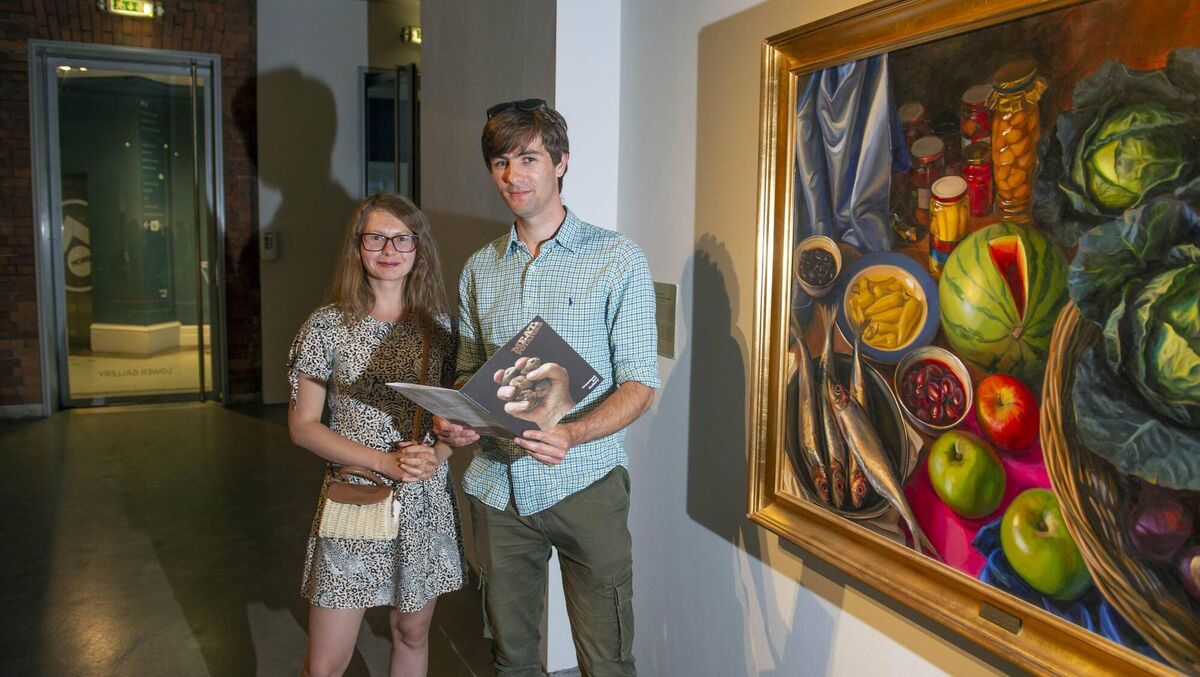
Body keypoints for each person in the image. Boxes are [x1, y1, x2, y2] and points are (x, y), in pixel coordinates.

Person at [435, 99, 660, 676]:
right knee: (510, 658)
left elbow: (640, 383)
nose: (514, 176)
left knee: (607, 660)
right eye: (501, 162)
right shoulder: (479, 269)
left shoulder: (616, 258)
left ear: (560, 162)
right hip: (497, 487)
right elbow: (468, 367)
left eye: (529, 158)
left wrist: (574, 433)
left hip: (585, 483)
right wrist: (458, 415)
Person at [287, 193, 468, 677]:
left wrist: (443, 451)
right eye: (376, 237)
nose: (389, 249)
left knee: (412, 633)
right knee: (325, 663)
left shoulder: (442, 331)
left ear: (419, 248)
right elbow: (303, 427)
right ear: (358, 246)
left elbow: (450, 423)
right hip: (355, 498)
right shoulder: (326, 327)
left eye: (402, 238)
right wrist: (384, 462)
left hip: (422, 503)